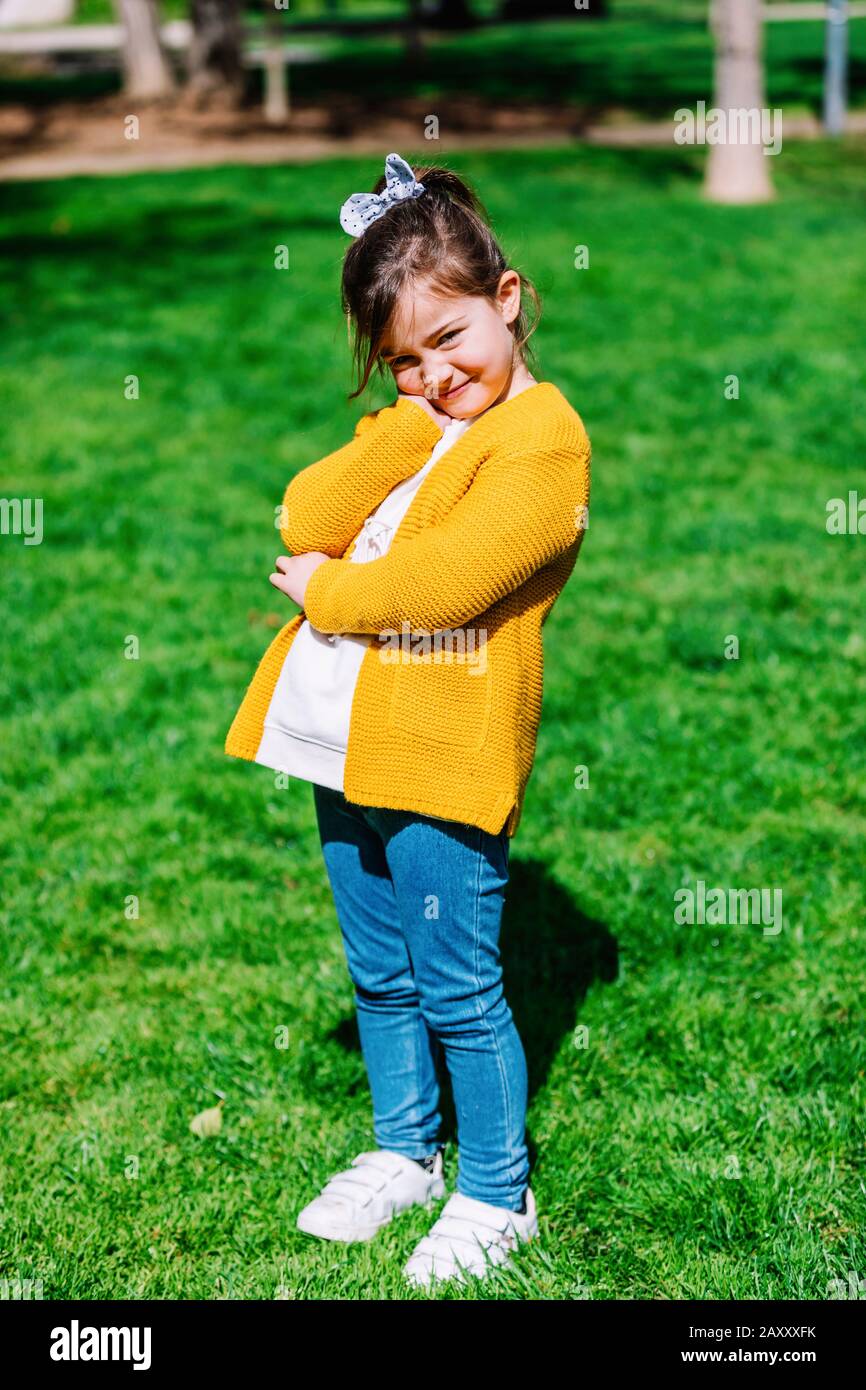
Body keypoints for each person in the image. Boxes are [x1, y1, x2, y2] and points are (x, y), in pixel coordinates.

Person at [224, 152, 591, 1289]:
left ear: (508, 299)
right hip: (345, 742)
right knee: (380, 970)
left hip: (442, 754)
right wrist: (399, 429)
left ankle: (497, 1191)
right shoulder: (420, 422)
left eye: (449, 340)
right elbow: (304, 512)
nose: (434, 375)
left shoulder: (542, 442)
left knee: (457, 986)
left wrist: (326, 594)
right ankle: (405, 1150)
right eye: (402, 360)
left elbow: (445, 586)